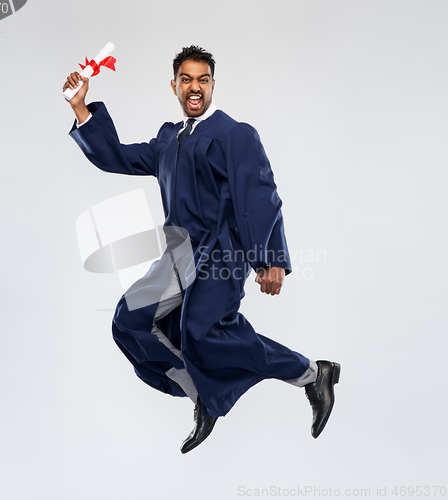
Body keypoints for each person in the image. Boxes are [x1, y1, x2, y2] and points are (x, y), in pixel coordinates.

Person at [63, 46, 340, 454]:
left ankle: (312, 373)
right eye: (187, 80)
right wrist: (81, 107)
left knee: (202, 333)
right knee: (128, 321)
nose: (195, 88)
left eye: (203, 80)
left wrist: (270, 259)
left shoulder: (234, 134)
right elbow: (116, 156)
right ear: (174, 86)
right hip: (178, 251)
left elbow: (259, 194)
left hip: (220, 251)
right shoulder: (167, 140)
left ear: (212, 85)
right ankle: (203, 398)